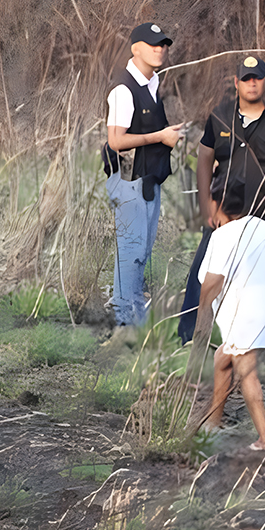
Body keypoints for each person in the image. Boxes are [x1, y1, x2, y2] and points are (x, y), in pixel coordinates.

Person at [177, 55, 265, 344]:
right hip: (226, 211)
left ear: (264, 80)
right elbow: (205, 159)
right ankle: (190, 337)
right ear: (236, 82)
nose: (252, 83)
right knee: (204, 271)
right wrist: (208, 204)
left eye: (257, 77)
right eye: (246, 78)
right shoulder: (220, 116)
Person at [195, 189, 265, 451]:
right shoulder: (260, 225)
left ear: (219, 207)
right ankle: (214, 422)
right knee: (222, 359)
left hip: (244, 316)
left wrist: (201, 316)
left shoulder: (222, 235)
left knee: (246, 371)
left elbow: (212, 282)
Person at [103, 23, 185, 331]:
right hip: (130, 183)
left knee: (141, 253)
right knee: (131, 252)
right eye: (152, 44)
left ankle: (134, 319)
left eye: (163, 44)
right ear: (135, 48)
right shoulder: (123, 91)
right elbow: (116, 141)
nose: (160, 49)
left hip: (149, 182)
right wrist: (160, 136)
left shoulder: (153, 82)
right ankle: (126, 324)